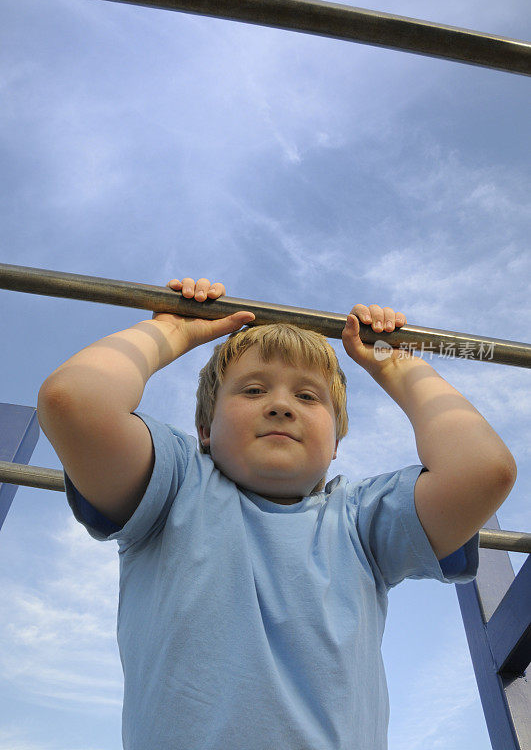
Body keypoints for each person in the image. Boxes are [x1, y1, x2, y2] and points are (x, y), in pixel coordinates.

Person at [36, 276, 517, 750]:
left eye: (308, 397)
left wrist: (398, 363)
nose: (281, 406)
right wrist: (170, 329)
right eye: (252, 390)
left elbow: (482, 470)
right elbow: (75, 400)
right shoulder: (174, 487)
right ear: (205, 428)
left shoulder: (360, 521)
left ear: (335, 446)